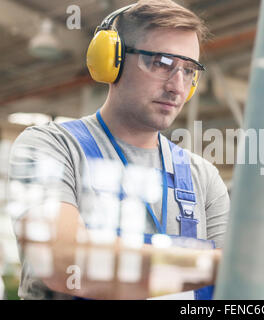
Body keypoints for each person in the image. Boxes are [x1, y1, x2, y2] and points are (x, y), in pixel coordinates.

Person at [8, 0, 230, 300]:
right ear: (112, 61)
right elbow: (65, 264)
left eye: (189, 70)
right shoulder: (52, 147)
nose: (177, 86)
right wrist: (221, 265)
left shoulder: (202, 177)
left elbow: (234, 289)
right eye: (162, 63)